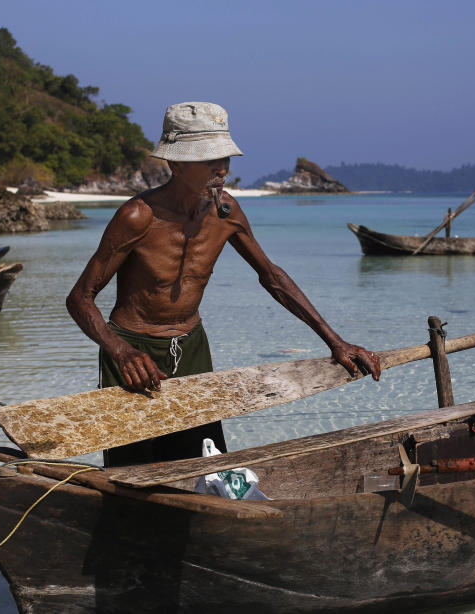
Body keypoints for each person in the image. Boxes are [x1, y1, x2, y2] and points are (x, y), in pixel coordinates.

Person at [67, 101, 380, 467]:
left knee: (205, 464)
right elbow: (80, 297)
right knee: (133, 470)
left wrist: (335, 341)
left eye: (226, 157)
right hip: (135, 351)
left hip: (193, 346)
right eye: (209, 158)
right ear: (176, 164)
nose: (223, 168)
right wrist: (119, 351)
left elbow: (272, 277)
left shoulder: (225, 212)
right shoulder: (138, 216)